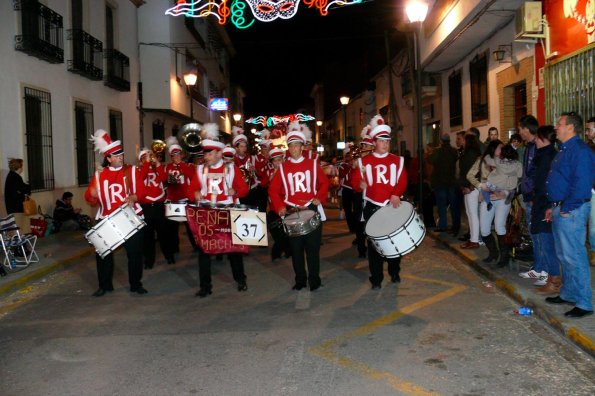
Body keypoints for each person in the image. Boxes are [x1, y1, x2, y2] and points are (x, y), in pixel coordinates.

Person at [85, 130, 147, 297]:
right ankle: (104, 286)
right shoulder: (99, 175)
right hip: (106, 219)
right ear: (109, 158)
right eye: (116, 155)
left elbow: (142, 191)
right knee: (103, 254)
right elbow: (90, 198)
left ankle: (136, 284)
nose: (121, 157)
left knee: (134, 254)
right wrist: (92, 194)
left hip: (129, 218)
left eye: (121, 154)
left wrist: (134, 196)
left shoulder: (132, 171)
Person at [189, 127, 250, 297]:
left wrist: (235, 192)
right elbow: (191, 189)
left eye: (209, 154)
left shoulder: (231, 169)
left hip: (227, 213)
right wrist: (194, 194)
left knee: (234, 250)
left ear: (217, 153)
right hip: (207, 215)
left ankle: (241, 280)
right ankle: (205, 286)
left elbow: (244, 189)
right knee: (204, 250)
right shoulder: (200, 170)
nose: (205, 157)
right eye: (205, 154)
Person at [545, 112, 595, 318]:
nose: (556, 127)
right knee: (564, 255)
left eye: (559, 124)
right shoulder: (564, 149)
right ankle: (568, 293)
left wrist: (567, 207)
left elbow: (582, 184)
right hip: (560, 208)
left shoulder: (580, 151)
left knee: (574, 255)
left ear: (570, 127)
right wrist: (553, 206)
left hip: (571, 211)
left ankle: (584, 302)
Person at [269, 121, 329, 291]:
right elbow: (273, 190)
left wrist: (319, 197)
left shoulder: (312, 164)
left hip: (311, 208)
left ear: (302, 147)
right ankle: (300, 280)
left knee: (313, 248)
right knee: (296, 250)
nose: (294, 149)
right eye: (291, 146)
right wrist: (280, 206)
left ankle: (314, 280)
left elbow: (324, 183)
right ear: (288, 148)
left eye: (297, 145)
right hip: (292, 210)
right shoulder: (283, 168)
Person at [351, 115, 408, 289]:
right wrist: (359, 185)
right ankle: (376, 278)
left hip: (392, 207)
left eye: (387, 141)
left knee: (394, 242)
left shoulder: (397, 160)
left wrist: (397, 194)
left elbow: (403, 180)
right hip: (372, 207)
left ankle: (394, 271)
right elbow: (355, 182)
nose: (385, 144)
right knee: (374, 244)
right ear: (375, 142)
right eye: (382, 141)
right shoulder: (363, 161)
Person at [529, 125, 561, 294]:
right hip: (541, 203)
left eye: (537, 138)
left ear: (543, 139)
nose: (534, 140)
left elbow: (548, 183)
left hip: (546, 205)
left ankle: (554, 280)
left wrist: (548, 205)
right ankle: (551, 278)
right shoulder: (543, 155)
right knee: (544, 240)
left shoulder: (549, 156)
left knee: (548, 244)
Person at [137, 147, 173, 269]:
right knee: (148, 237)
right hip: (146, 207)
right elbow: (141, 178)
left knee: (164, 234)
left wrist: (157, 164)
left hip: (158, 206)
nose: (148, 159)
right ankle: (149, 261)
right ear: (141, 160)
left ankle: (169, 256)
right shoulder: (138, 171)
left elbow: (164, 179)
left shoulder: (158, 169)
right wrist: (146, 163)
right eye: (144, 158)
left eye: (149, 157)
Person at [164, 134, 197, 260]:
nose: (176, 157)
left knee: (191, 226)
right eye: (174, 155)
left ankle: (196, 246)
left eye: (178, 154)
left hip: (186, 200)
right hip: (173, 201)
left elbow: (192, 176)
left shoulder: (188, 166)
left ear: (181, 155)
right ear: (171, 156)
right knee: (172, 228)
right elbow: (164, 180)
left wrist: (181, 164)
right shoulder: (168, 167)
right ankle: (173, 249)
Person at [516, 115, 541, 279]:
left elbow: (536, 174)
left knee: (539, 236)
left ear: (526, 128)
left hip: (534, 198)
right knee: (534, 234)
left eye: (520, 129)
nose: (519, 132)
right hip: (528, 195)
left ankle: (541, 269)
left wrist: (532, 194)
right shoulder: (528, 147)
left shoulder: (537, 147)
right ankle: (538, 266)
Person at [260, 148, 290, 261]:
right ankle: (282, 251)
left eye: (279, 160)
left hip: (285, 206)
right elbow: (262, 185)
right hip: (272, 207)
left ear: (283, 159)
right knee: (276, 232)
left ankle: (281, 252)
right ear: (272, 162)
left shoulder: (287, 172)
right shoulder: (269, 172)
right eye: (275, 161)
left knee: (285, 232)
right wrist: (270, 179)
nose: (277, 163)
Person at [428, 133, 460, 235]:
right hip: (451, 181)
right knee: (453, 205)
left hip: (440, 182)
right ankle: (455, 226)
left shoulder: (438, 151)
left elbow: (430, 160)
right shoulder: (454, 151)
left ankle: (443, 226)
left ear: (441, 141)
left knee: (441, 205)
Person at [479, 144, 521, 211]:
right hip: (510, 186)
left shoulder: (498, 160)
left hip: (498, 185)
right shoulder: (518, 164)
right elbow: (519, 176)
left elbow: (488, 160)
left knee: (483, 186)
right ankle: (511, 191)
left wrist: (486, 155)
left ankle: (489, 201)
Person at [458, 134, 482, 248]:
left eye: (463, 139)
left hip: (472, 188)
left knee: (473, 214)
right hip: (467, 187)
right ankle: (473, 238)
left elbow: (475, 172)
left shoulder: (471, 154)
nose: (461, 141)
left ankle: (475, 239)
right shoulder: (467, 153)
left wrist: (469, 186)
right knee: (469, 213)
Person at [233, 126, 261, 208]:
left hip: (252, 191)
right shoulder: (233, 160)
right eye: (241, 146)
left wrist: (255, 170)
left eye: (245, 146)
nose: (244, 149)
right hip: (239, 190)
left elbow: (260, 175)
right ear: (236, 148)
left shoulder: (252, 158)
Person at [4, 158, 32, 233]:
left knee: (18, 227)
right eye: (22, 166)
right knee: (20, 228)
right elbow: (23, 188)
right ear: (18, 167)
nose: (22, 168)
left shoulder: (11, 176)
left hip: (13, 207)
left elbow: (21, 189)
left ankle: (21, 243)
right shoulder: (15, 177)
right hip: (17, 208)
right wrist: (28, 187)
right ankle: (21, 244)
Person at [585, 116, 595, 266]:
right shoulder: (587, 148)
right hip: (592, 191)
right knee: (593, 225)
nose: (587, 132)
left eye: (589, 129)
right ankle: (594, 251)